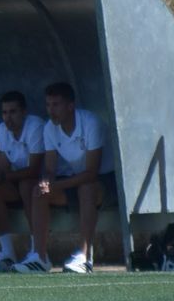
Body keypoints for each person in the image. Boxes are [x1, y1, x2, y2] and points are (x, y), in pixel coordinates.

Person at [15, 82, 108, 274]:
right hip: (74, 182)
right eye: (48, 105)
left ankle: (84, 257)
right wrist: (46, 181)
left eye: (56, 105)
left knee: (87, 188)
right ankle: (39, 258)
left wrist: (57, 185)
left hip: (107, 183)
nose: (51, 110)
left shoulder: (91, 123)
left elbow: (92, 172)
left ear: (70, 106)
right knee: (39, 192)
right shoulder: (49, 128)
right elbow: (50, 168)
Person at [0, 91, 46, 272]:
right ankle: (7, 253)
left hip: (43, 184)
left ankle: (38, 253)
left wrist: (2, 176)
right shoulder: (3, 129)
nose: (8, 117)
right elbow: (3, 168)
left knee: (27, 185)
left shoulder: (35, 126)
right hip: (18, 183)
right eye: (4, 112)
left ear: (24, 112)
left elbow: (35, 170)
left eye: (13, 112)